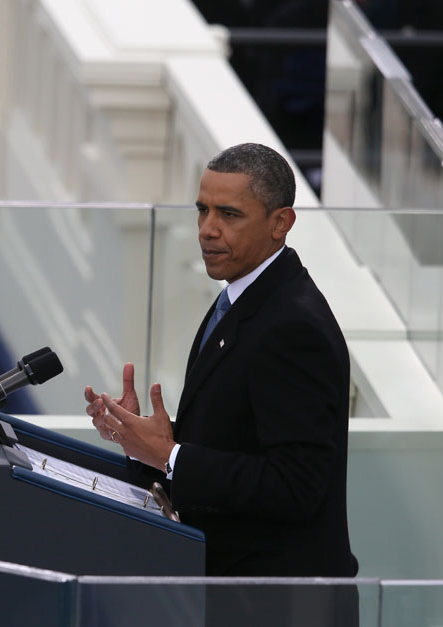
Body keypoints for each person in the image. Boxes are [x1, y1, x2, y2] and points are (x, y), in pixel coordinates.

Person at [85, 143, 358, 581]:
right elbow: (232, 440)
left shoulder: (293, 326)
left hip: (275, 602)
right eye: (202, 211)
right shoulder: (239, 298)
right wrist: (143, 440)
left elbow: (296, 485)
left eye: (229, 215)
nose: (207, 230)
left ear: (280, 223)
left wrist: (170, 454)